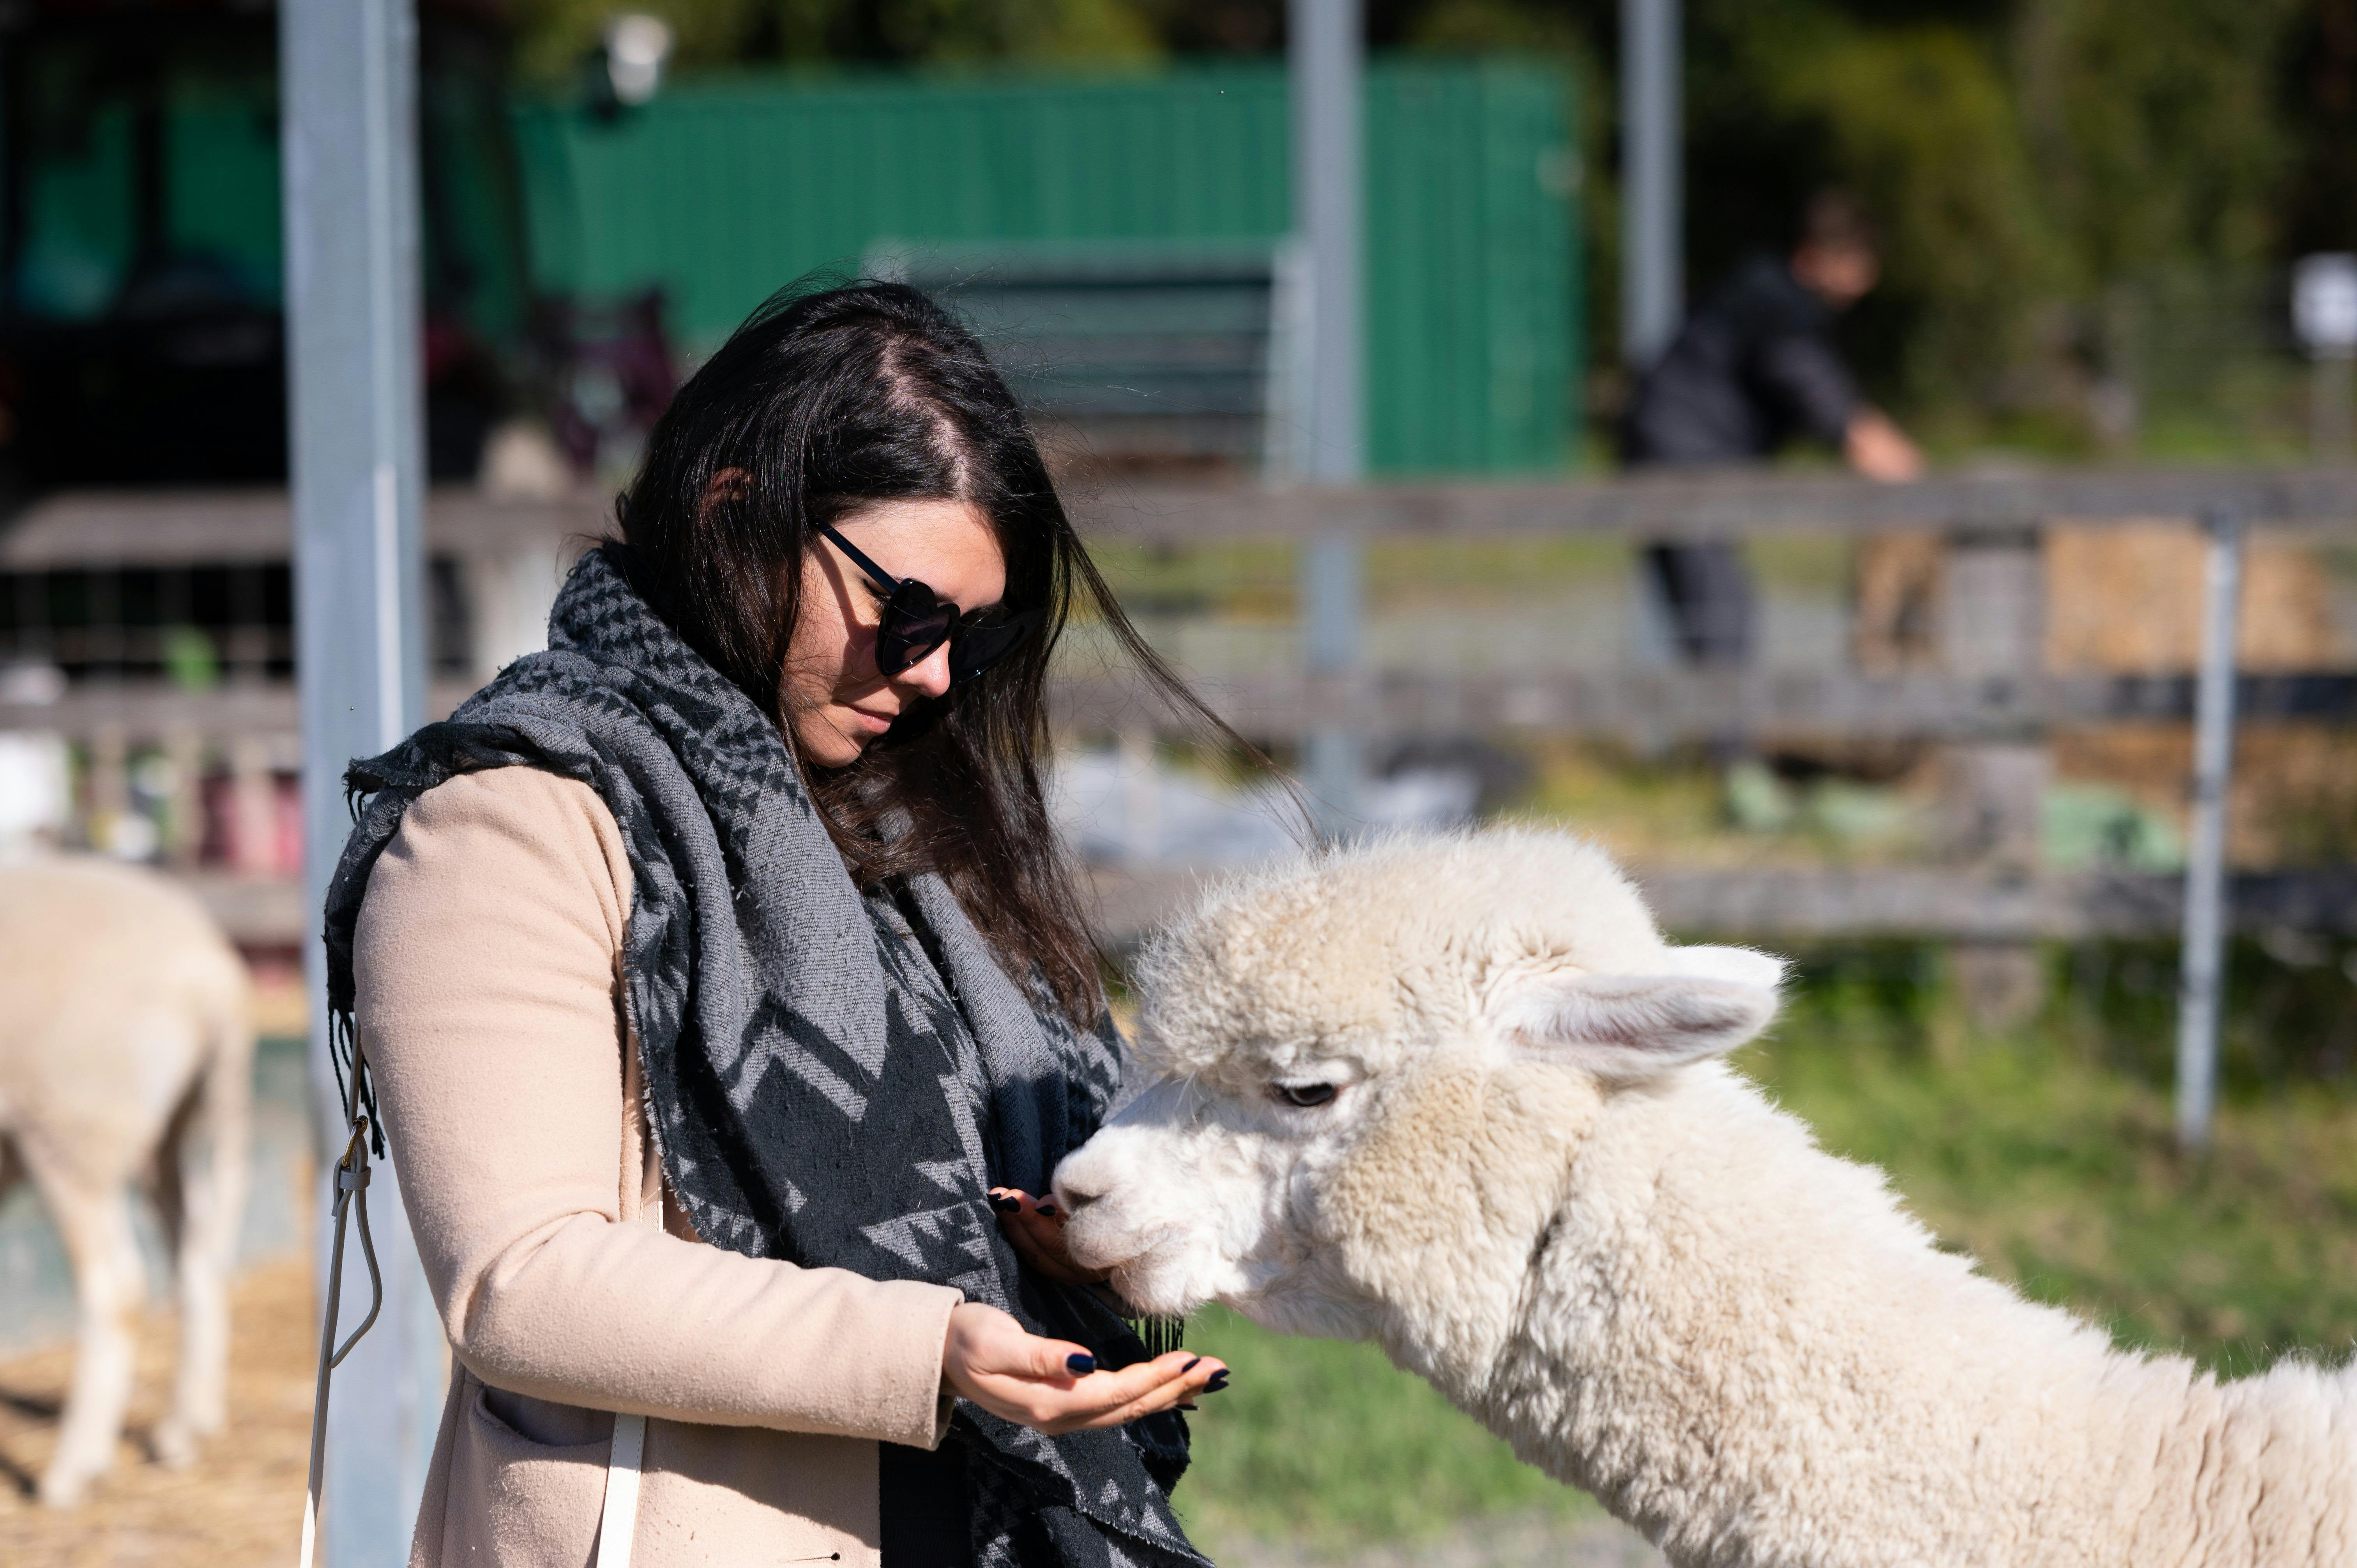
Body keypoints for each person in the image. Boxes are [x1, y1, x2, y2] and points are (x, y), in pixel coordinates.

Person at [320, 282, 1234, 1568]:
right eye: (907, 614)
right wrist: (928, 1345)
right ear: (731, 510)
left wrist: (1050, 1230)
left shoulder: (912, 836)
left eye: (975, 639)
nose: (929, 675)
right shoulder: (513, 820)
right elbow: (517, 1281)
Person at [1621, 191, 1923, 664]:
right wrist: (1902, 469)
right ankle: (1728, 736)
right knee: (1723, 612)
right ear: (1820, 257)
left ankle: (1716, 729)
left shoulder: (1766, 290)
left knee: (1711, 607)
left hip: (1673, 447)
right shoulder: (1782, 308)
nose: (1865, 282)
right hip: (1684, 457)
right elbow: (1824, 398)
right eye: (1857, 265)